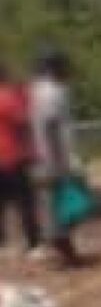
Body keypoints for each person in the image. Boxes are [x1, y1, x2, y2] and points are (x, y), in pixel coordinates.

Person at [28, 50, 85, 266]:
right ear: (54, 68)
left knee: (56, 205)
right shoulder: (51, 92)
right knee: (62, 205)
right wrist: (61, 162)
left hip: (46, 157)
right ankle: (64, 250)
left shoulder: (38, 91)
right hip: (53, 158)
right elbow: (50, 127)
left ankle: (61, 247)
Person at [0, 62, 42, 257]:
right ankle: (34, 244)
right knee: (25, 201)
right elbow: (23, 120)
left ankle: (3, 244)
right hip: (13, 156)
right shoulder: (6, 96)